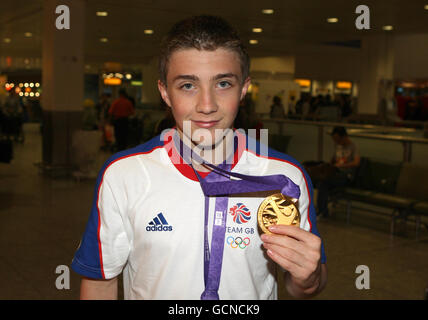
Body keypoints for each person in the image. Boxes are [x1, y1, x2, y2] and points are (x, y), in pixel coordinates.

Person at [71, 15, 327, 300]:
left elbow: (301, 286)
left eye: (223, 84)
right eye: (188, 86)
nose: (207, 106)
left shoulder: (285, 176)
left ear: (244, 88)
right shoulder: (123, 174)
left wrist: (309, 278)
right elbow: (100, 282)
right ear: (165, 93)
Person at [316, 126, 360, 218]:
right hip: (335, 173)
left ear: (344, 137)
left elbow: (356, 162)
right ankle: (322, 210)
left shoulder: (353, 147)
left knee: (324, 183)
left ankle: (322, 211)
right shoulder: (337, 146)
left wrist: (341, 166)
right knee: (320, 181)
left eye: (337, 139)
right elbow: (334, 159)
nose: (336, 142)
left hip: (346, 175)